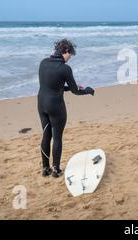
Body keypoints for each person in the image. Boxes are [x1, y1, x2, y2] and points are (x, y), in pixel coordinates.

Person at [38, 39, 95, 177]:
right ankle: (56, 169)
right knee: (57, 137)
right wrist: (87, 90)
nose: (70, 58)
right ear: (66, 51)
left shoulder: (43, 63)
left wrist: (70, 88)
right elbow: (76, 91)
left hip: (41, 104)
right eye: (70, 54)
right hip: (56, 106)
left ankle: (46, 169)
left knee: (46, 135)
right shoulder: (65, 68)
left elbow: (52, 86)